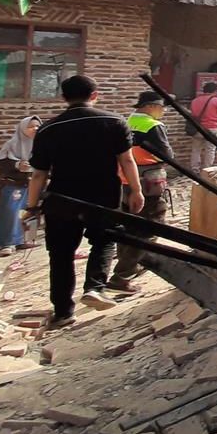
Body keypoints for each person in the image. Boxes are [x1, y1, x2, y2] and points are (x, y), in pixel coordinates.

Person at [25, 75, 144, 328]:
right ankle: (95, 287)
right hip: (103, 197)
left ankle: (63, 312)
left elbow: (38, 174)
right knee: (104, 241)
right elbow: (127, 161)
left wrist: (31, 206)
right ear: (95, 95)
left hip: (61, 200)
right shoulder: (114, 122)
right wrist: (136, 190)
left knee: (60, 255)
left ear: (64, 98)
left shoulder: (48, 129)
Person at [108, 90, 174, 294]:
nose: (162, 112)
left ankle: (125, 269)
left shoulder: (126, 122)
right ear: (151, 107)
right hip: (148, 182)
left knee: (127, 226)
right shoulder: (153, 125)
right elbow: (166, 154)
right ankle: (123, 276)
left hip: (124, 180)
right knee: (150, 227)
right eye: (161, 108)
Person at [0, 116, 43, 256]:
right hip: (14, 183)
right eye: (31, 126)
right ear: (22, 128)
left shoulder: (42, 143)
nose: (35, 129)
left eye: (38, 126)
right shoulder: (12, 144)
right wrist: (17, 165)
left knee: (31, 212)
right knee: (11, 212)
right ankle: (7, 243)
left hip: (34, 184)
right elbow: (2, 162)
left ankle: (25, 240)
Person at [188, 81, 217, 173]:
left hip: (197, 129)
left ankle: (195, 170)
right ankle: (207, 170)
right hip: (212, 128)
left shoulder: (194, 101)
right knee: (210, 149)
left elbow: (192, 114)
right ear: (215, 91)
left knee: (196, 150)